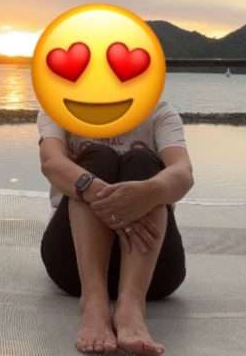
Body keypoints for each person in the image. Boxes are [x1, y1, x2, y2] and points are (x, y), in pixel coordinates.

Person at [38, 101, 193, 354]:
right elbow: (51, 162)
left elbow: (183, 171)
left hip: (154, 270)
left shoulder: (158, 113)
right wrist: (108, 198)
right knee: (97, 158)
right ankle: (93, 303)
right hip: (73, 264)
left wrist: (146, 193)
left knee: (143, 161)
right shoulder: (60, 108)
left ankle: (132, 307)